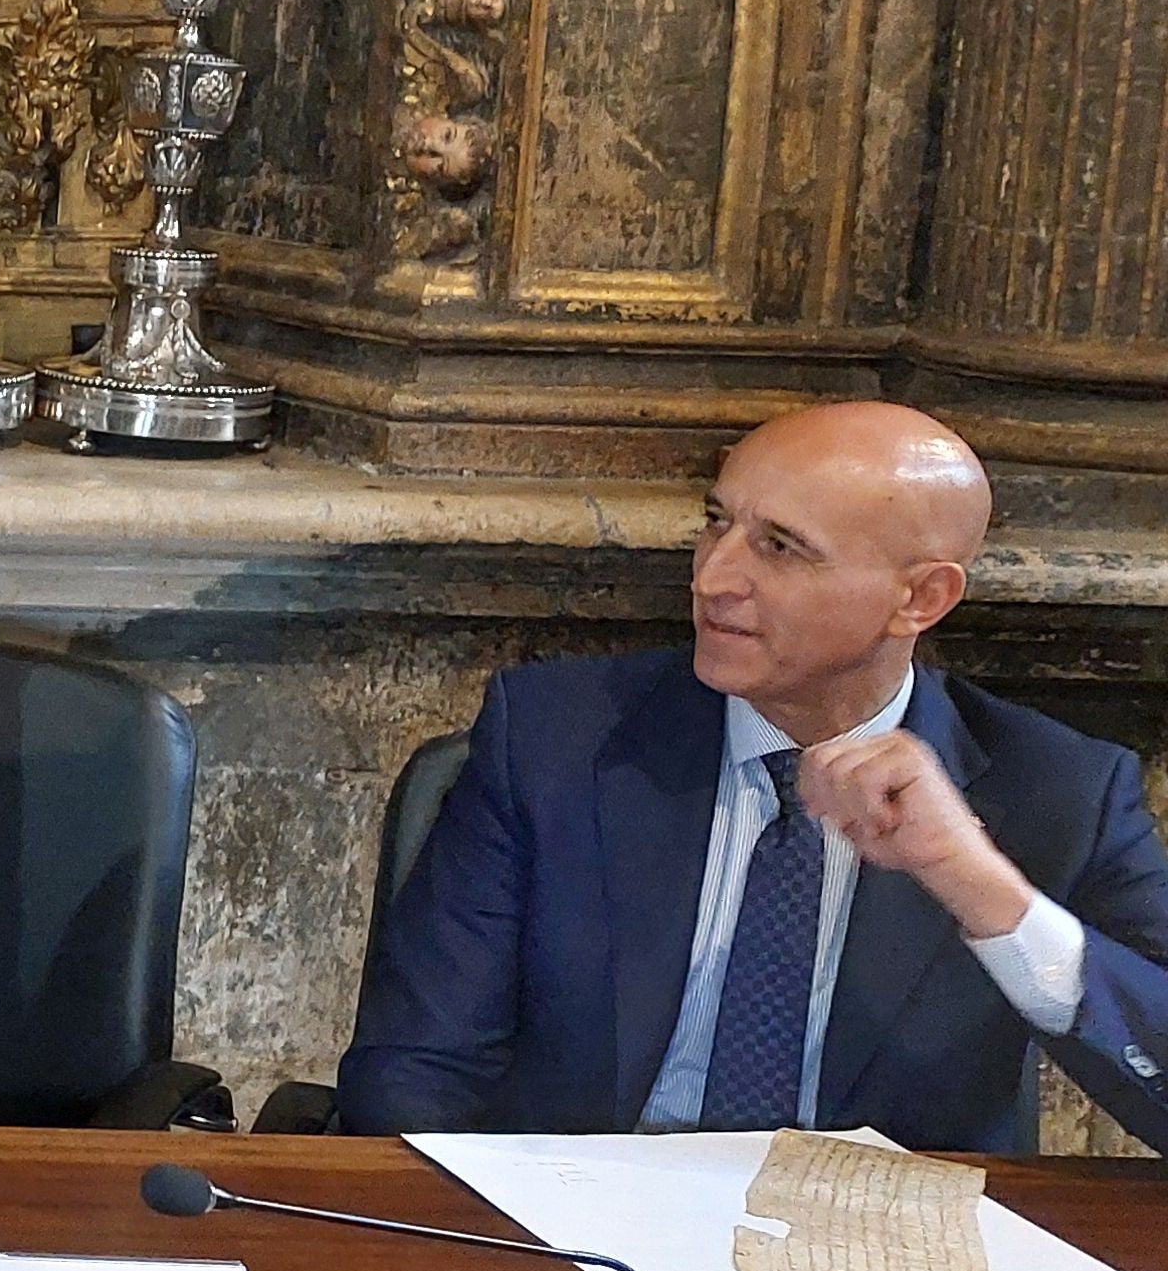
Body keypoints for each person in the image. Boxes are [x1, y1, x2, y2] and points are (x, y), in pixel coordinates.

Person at [339, 399, 1168, 1155]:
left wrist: (984, 890)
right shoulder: (557, 739)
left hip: (885, 1268)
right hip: (582, 1241)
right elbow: (415, 1071)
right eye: (715, 523)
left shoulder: (1060, 791)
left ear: (920, 598)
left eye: (779, 548)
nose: (712, 578)